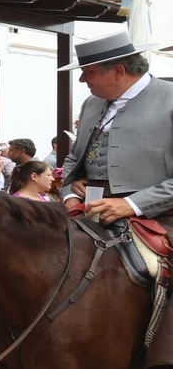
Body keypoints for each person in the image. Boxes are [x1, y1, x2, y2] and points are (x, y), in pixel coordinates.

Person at [59, 27, 173, 224]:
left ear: (118, 71)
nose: (82, 79)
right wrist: (70, 194)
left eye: (89, 72)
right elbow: (75, 157)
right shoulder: (91, 103)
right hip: (91, 214)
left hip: (160, 218)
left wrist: (133, 204)